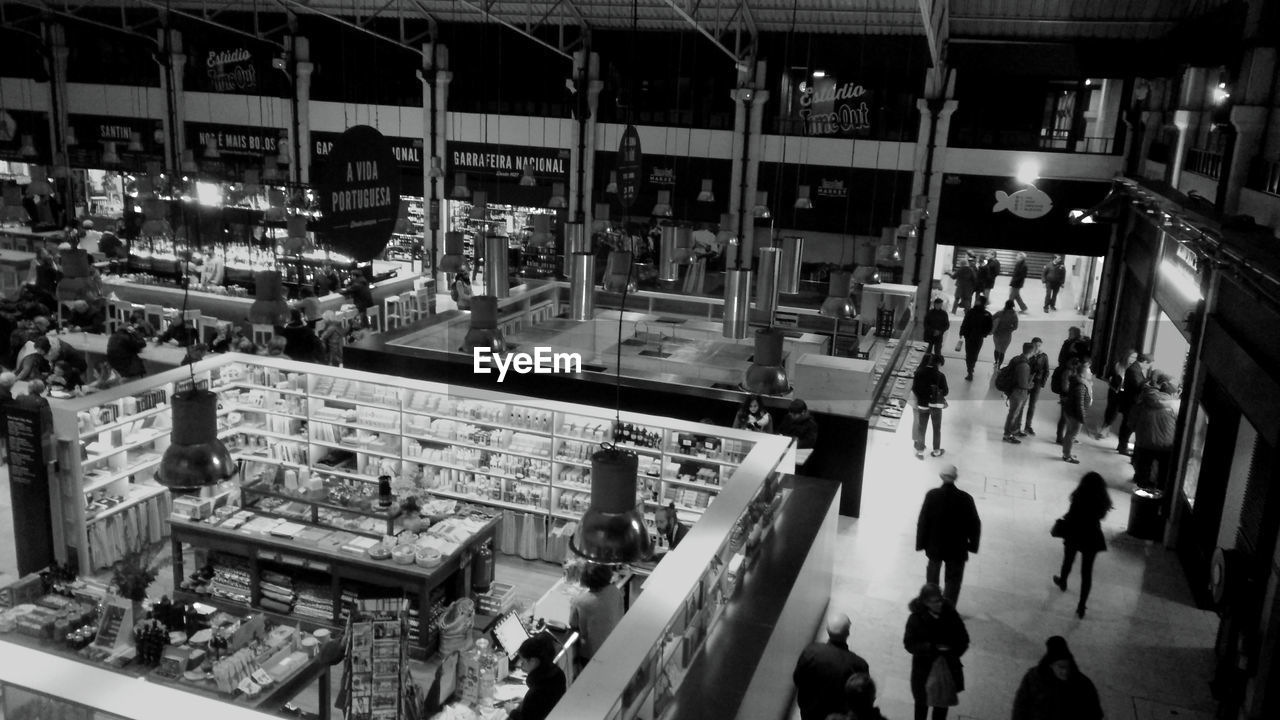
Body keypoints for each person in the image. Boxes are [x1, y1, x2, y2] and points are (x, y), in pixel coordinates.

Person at [915, 465, 981, 604]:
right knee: (953, 581)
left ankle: (931, 605)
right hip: (957, 548)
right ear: (956, 478)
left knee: (932, 578)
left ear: (941, 476)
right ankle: (948, 610)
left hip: (935, 546)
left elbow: (923, 521)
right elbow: (975, 524)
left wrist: (921, 543)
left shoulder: (932, 495)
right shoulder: (966, 498)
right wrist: (972, 545)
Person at [903, 583, 970, 720]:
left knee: (941, 704)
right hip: (923, 670)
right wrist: (930, 648)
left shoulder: (950, 614)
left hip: (946, 667)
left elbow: (964, 639)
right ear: (925, 602)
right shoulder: (915, 619)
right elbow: (909, 644)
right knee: (921, 705)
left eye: (940, 599)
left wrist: (951, 653)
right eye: (935, 602)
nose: (939, 604)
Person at [1052, 472, 1113, 618]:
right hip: (1092, 536)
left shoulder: (1079, 496)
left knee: (1068, 560)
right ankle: (1081, 605)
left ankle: (1063, 580)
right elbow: (1101, 517)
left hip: (1074, 532)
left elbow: (1071, 514)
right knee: (1087, 573)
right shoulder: (1101, 501)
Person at [793, 613, 871, 720]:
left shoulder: (810, 651)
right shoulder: (859, 665)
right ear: (848, 633)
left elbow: (798, 679)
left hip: (810, 712)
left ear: (827, 630)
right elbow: (861, 699)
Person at [1011, 636, 1103, 720]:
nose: (1065, 671)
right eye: (1061, 667)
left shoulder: (1083, 684)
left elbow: (1094, 713)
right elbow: (1020, 709)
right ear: (1051, 665)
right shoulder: (1033, 679)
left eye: (1068, 666)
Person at [569, 563, 624, 667]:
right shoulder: (615, 591)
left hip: (592, 652)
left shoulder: (580, 602)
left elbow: (573, 623)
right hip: (615, 644)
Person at [1130, 374, 1180, 490]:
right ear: (1173, 394)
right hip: (1166, 445)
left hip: (1144, 441)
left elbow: (1133, 416)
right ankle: (1159, 492)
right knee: (1163, 472)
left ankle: (1141, 490)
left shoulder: (1145, 399)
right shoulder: (1175, 406)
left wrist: (1134, 430)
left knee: (1143, 467)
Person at [504, 634, 567, 720]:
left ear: (533, 661)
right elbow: (542, 707)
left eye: (523, 661)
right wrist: (525, 702)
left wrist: (511, 711)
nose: (521, 665)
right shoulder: (558, 674)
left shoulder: (537, 691)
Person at [911, 353, 949, 459]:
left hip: (922, 405)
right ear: (939, 363)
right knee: (936, 429)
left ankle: (920, 452)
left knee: (921, 428)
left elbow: (914, 388)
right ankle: (936, 451)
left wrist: (922, 397)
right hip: (935, 405)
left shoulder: (919, 372)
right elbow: (945, 392)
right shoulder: (940, 376)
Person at [1116, 352, 1152, 455]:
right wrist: (1148, 382)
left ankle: (1121, 446)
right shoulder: (1134, 369)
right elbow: (1138, 385)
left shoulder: (1136, 368)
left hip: (1130, 401)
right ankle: (1122, 447)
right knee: (1127, 426)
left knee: (1126, 425)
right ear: (1145, 361)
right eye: (1149, 364)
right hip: (1130, 402)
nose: (1148, 367)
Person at [1059, 359, 1093, 463]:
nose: (1091, 373)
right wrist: (1082, 417)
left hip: (1071, 412)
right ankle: (1067, 455)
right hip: (1075, 414)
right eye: (1089, 371)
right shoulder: (1081, 385)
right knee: (1071, 434)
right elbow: (1079, 404)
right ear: (1083, 374)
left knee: (1070, 433)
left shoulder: (1079, 381)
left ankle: (1066, 452)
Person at [1100, 349, 1137, 440]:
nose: (1133, 359)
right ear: (1126, 356)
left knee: (1120, 412)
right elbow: (1108, 377)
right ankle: (1104, 429)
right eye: (1131, 357)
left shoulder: (1134, 368)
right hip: (1114, 391)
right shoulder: (1118, 365)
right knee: (1111, 410)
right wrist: (1113, 382)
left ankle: (1106, 429)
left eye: (1135, 357)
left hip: (1125, 394)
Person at [1002, 342, 1035, 444]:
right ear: (1032, 352)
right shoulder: (1024, 365)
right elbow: (1023, 384)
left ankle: (1014, 431)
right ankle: (1008, 435)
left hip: (1013, 391)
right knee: (1013, 414)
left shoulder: (1016, 359)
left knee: (1014, 413)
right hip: (1019, 393)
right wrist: (1031, 384)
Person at [957, 297, 992, 381]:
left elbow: (989, 327)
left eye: (977, 301)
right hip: (974, 337)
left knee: (971, 354)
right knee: (972, 354)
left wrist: (962, 332)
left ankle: (970, 369)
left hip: (972, 337)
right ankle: (970, 369)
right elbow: (965, 322)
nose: (976, 302)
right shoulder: (983, 314)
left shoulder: (975, 313)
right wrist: (962, 332)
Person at [1022, 337, 1050, 437]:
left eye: (1039, 345)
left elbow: (1047, 370)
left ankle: (1028, 426)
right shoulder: (1029, 355)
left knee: (1032, 405)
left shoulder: (1044, 356)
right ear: (1032, 345)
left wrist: (1042, 383)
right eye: (1035, 345)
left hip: (1037, 383)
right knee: (1022, 403)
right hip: (1027, 382)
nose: (1037, 347)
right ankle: (1017, 424)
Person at [991, 300, 1019, 368]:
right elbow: (1015, 327)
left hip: (997, 334)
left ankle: (996, 362)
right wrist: (1009, 329)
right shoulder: (1014, 316)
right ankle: (999, 365)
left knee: (997, 349)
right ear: (1013, 306)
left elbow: (991, 319)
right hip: (1007, 336)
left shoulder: (999, 313)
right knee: (1003, 351)